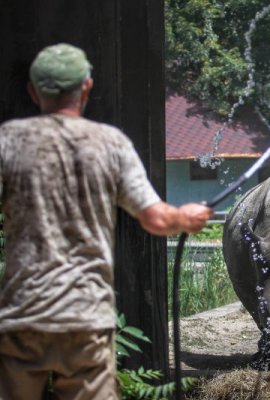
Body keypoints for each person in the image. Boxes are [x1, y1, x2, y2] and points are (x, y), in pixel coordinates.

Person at [0, 43, 213, 400]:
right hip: (85, 319)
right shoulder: (110, 144)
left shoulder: (8, 141)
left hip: (22, 317)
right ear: (86, 87)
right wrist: (186, 217)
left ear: (33, 91)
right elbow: (158, 220)